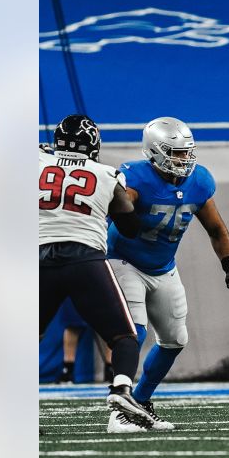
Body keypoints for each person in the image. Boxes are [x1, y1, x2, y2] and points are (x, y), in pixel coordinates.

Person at [106, 117, 229, 430]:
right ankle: (118, 411)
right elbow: (114, 208)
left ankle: (139, 402)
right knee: (135, 332)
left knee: (175, 339)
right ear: (153, 152)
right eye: (176, 153)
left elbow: (215, 227)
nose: (184, 160)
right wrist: (122, 201)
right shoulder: (134, 178)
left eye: (186, 153)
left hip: (163, 267)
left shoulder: (199, 181)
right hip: (123, 259)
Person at [39, 114, 156, 432]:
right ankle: (120, 389)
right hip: (84, 258)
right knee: (124, 336)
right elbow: (130, 227)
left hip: (38, 259)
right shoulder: (107, 174)